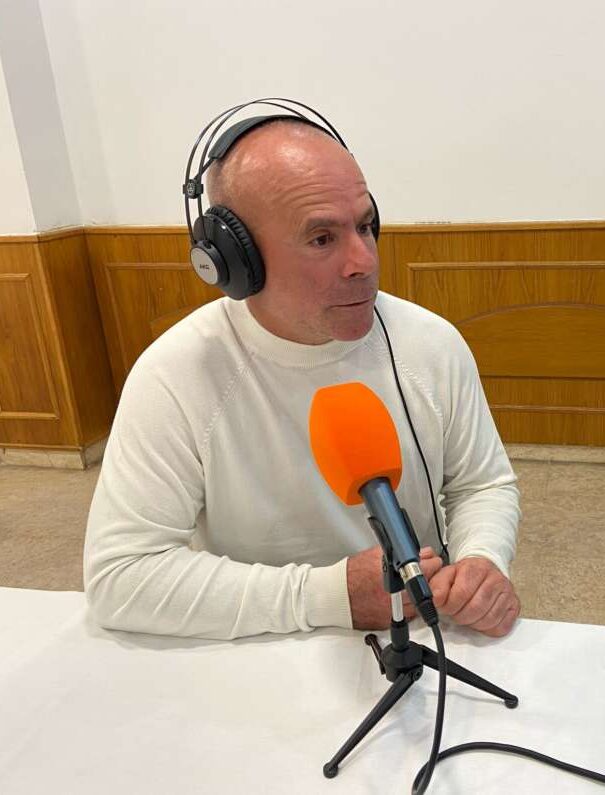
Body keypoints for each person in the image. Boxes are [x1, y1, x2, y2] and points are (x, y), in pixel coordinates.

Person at [84, 114, 521, 641]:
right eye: (321, 238)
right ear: (235, 260)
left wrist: (481, 558)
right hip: (256, 644)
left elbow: (481, 484)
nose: (363, 261)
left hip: (419, 631)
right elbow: (121, 578)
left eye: (365, 226)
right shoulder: (175, 374)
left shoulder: (432, 343)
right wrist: (328, 596)